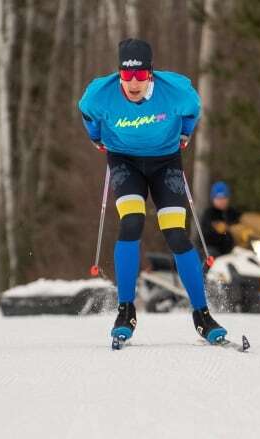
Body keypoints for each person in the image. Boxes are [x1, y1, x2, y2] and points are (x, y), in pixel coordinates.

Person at [78, 38, 226, 346]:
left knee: (176, 235)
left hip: (165, 163)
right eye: (127, 75)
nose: (133, 83)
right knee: (131, 223)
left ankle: (202, 315)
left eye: (141, 76)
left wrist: (185, 133)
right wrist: (96, 138)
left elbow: (193, 110)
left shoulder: (176, 90)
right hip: (124, 162)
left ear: (151, 74)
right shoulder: (99, 95)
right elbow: (88, 116)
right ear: (119, 73)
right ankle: (126, 309)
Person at [200, 181, 242, 257]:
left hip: (233, 251)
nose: (222, 201)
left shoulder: (234, 213)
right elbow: (205, 234)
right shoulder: (209, 214)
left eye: (224, 198)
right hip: (214, 251)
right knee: (210, 253)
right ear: (213, 199)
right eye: (218, 198)